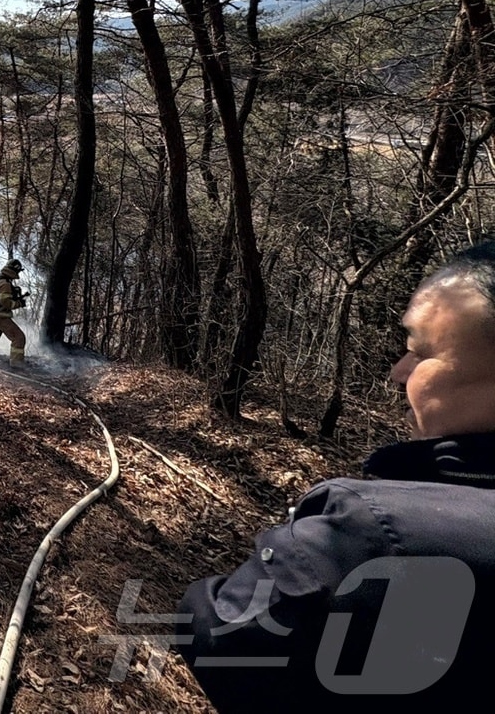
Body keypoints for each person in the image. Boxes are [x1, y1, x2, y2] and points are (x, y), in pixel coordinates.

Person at [175, 239, 495, 710]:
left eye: (421, 353)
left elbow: (224, 637)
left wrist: (296, 545)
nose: (398, 373)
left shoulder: (364, 533)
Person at [0, 258, 28, 365]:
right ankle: (17, 365)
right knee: (19, 338)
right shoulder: (5, 283)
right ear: (15, 270)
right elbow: (6, 303)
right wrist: (19, 304)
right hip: (0, 314)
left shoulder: (0, 277)